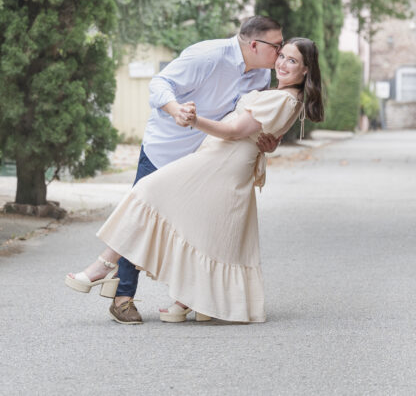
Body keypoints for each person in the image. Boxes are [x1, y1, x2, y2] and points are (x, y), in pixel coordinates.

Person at [66, 37, 324, 323]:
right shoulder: (273, 88)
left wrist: (193, 120)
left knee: (148, 193)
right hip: (219, 159)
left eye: (292, 60)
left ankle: (102, 267)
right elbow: (260, 131)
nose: (282, 62)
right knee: (204, 231)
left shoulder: (283, 97)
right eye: (282, 55)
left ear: (305, 71)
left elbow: (235, 131)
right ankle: (188, 299)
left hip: (222, 163)